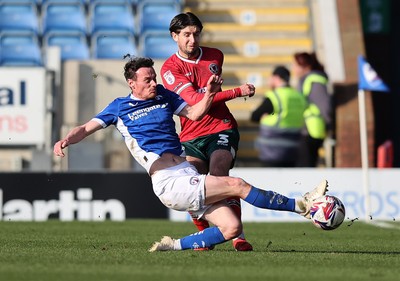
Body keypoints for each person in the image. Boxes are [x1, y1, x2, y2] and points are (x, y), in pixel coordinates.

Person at [53, 57, 328, 252]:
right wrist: (67, 140)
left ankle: (173, 246)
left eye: (154, 78)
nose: (153, 83)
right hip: (168, 181)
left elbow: (195, 113)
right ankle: (301, 205)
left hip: (186, 174)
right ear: (131, 83)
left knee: (231, 228)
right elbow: (86, 128)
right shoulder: (119, 107)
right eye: (147, 80)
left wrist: (208, 93)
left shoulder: (164, 95)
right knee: (237, 185)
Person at [160, 12, 256, 251]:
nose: (192, 40)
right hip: (191, 135)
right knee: (193, 183)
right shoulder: (170, 69)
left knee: (219, 173)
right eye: (186, 35)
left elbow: (208, 96)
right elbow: (194, 102)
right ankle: (205, 236)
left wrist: (215, 93)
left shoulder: (215, 56)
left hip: (221, 126)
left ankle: (238, 235)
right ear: (175, 36)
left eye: (196, 34)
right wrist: (237, 91)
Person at [250, 66, 306, 167]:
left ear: (276, 77)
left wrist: (265, 117)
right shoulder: (298, 96)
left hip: (273, 152)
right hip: (293, 150)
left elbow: (254, 116)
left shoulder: (274, 96)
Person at [292, 52, 332, 167]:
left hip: (312, 130)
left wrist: (329, 126)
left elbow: (324, 105)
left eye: (295, 65)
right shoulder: (307, 79)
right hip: (307, 129)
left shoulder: (314, 80)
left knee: (305, 165)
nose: (293, 68)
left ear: (305, 66)